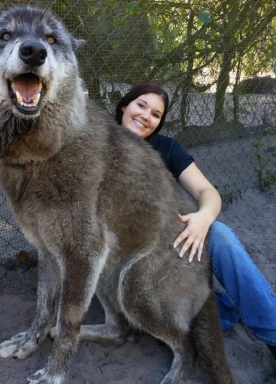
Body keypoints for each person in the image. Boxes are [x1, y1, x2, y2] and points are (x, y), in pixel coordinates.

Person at [115, 82, 276, 358]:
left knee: (220, 235)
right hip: (124, 258)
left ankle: (273, 336)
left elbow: (207, 192)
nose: (146, 116)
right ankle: (220, 306)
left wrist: (203, 218)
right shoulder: (94, 146)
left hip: (167, 241)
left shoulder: (166, 148)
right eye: (141, 105)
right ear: (123, 107)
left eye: (156, 114)